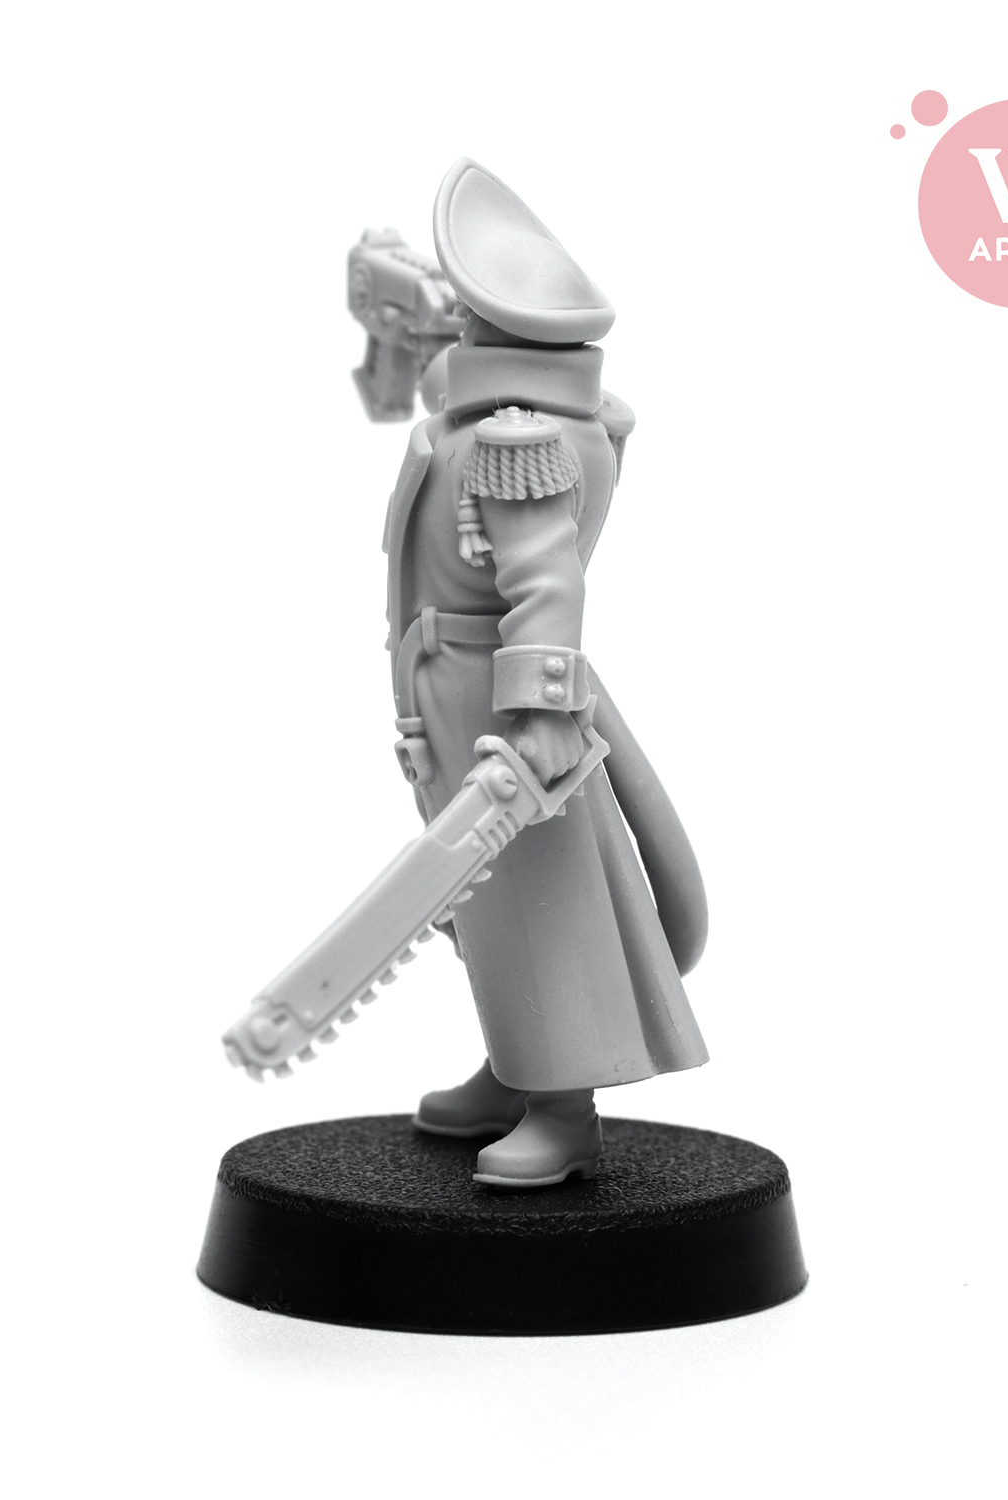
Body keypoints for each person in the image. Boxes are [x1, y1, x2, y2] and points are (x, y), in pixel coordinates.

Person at [384, 159, 709, 1187]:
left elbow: (546, 586)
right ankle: (519, 1065)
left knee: (541, 900)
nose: (456, 323)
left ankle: (563, 1108)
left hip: (503, 705)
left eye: (467, 310)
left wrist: (537, 720)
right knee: (487, 905)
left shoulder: (519, 441)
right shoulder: (501, 420)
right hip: (455, 692)